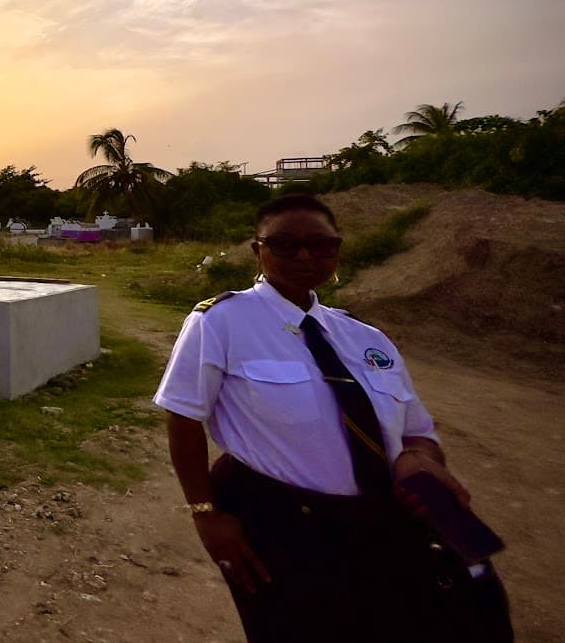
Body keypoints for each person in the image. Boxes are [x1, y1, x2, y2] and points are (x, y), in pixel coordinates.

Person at [154, 193, 511, 643]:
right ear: (257, 249)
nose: (305, 255)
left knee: (459, 615)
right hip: (287, 525)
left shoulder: (365, 336)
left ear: (337, 250)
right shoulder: (220, 321)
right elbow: (183, 417)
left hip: (393, 517)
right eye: (286, 244)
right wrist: (206, 515)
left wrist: (420, 457)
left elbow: (417, 429)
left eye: (321, 245)